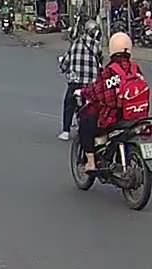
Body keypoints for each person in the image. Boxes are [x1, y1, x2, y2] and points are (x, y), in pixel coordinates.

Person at [77, 32, 149, 172]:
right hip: (138, 116)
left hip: (115, 118)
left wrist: (83, 92)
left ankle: (90, 162)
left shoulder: (109, 72)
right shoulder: (135, 69)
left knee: (86, 120)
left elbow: (97, 94)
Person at [58, 20, 102, 140]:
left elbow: (66, 61)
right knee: (97, 105)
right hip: (91, 84)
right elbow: (100, 62)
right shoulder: (96, 45)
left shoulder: (75, 44)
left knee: (69, 103)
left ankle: (66, 131)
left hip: (75, 82)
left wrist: (63, 68)